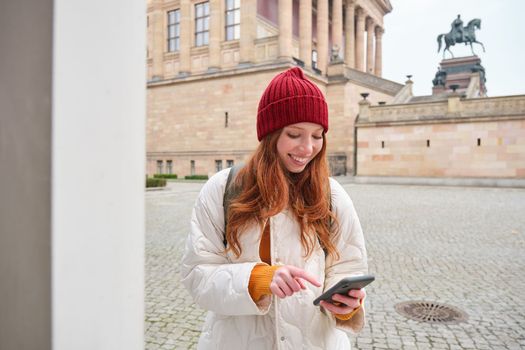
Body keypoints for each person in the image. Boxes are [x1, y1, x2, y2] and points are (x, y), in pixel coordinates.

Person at [181, 67, 368, 349]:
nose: (308, 148)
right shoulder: (222, 189)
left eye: (317, 135)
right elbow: (198, 275)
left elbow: (347, 267)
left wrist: (346, 302)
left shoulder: (333, 195)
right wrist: (258, 279)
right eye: (295, 134)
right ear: (270, 134)